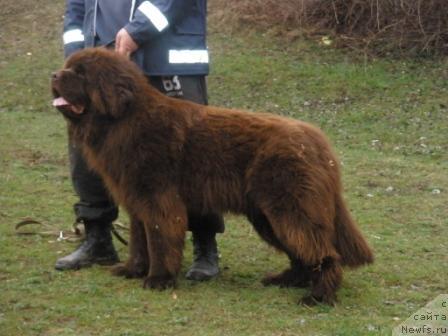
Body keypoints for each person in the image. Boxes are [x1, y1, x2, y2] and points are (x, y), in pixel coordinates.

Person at [56, 0, 224, 281]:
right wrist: (78, 58)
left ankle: (205, 246)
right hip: (101, 67)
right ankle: (97, 237)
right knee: (89, 154)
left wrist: (138, 30)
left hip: (165, 60)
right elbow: (76, 8)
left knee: (196, 158)